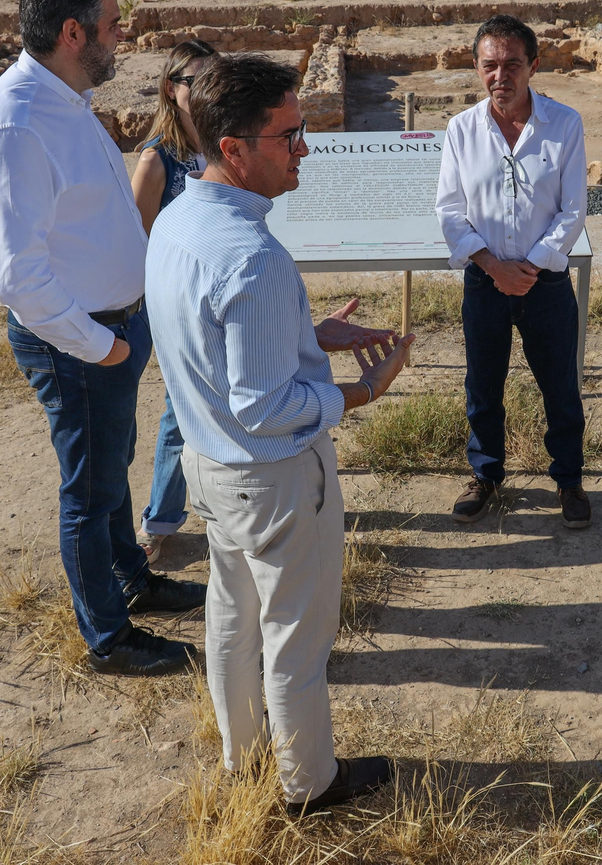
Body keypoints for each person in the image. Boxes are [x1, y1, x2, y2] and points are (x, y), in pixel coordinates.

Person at [145, 53, 415, 812]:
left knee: (231, 617)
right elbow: (264, 407)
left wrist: (306, 332)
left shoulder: (177, 218)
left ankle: (243, 758)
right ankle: (309, 783)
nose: (306, 150)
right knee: (297, 641)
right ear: (234, 148)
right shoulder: (254, 257)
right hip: (273, 476)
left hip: (211, 464)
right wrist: (358, 391)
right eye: (290, 136)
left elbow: (211, 340)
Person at [0, 0, 203, 678]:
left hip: (111, 329)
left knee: (110, 471)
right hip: (77, 340)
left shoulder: (64, 98)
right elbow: (17, 273)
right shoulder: (14, 122)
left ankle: (133, 578)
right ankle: (107, 636)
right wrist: (99, 346)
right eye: (112, 24)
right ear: (73, 32)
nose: (122, 36)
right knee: (88, 488)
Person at [436, 14, 591, 529]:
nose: (500, 75)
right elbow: (450, 210)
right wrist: (492, 266)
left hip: (544, 284)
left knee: (559, 386)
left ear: (534, 66)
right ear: (477, 67)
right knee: (483, 384)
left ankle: (569, 479)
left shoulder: (564, 124)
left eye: (511, 64)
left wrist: (528, 266)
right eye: (489, 65)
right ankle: (485, 474)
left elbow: (573, 210)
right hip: (485, 282)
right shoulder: (461, 129)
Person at [128, 38, 218, 564]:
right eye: (194, 80)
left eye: (213, 79)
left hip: (228, 297)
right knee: (179, 412)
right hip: (181, 305)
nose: (204, 89)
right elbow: (137, 243)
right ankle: (160, 519)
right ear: (171, 87)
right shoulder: (157, 158)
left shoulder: (223, 140)